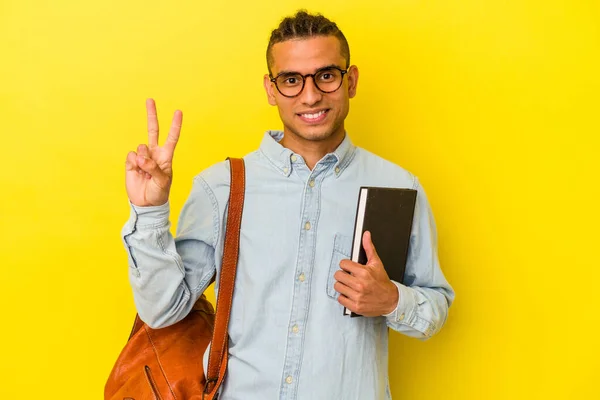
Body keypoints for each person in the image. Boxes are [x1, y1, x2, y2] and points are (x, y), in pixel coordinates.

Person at [122, 10, 454, 400]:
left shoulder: (397, 187)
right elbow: (163, 311)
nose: (311, 95)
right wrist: (149, 212)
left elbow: (435, 305)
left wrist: (393, 300)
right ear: (270, 88)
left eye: (326, 75)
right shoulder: (223, 186)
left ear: (352, 81)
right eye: (291, 80)